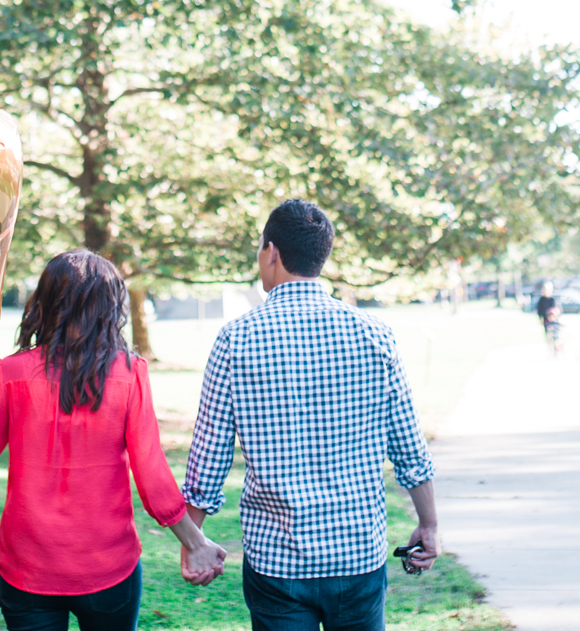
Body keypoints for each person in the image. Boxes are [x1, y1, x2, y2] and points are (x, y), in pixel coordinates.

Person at [181, 199, 438, 631]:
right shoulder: (374, 334)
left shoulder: (236, 339)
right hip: (357, 554)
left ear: (272, 252)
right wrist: (428, 524)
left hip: (277, 562)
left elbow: (208, 459)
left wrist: (194, 542)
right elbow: (409, 446)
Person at [0, 250, 229, 631]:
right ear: (110, 308)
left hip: (28, 571)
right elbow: (153, 476)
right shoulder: (130, 373)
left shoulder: (10, 374)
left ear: (43, 302)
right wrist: (195, 544)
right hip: (109, 571)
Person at [535, 281, 561, 355]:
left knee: (555, 336)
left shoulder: (553, 299)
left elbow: (558, 310)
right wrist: (541, 319)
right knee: (548, 336)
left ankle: (556, 351)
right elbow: (539, 311)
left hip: (554, 321)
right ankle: (551, 351)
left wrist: (553, 316)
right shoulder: (541, 300)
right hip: (546, 321)